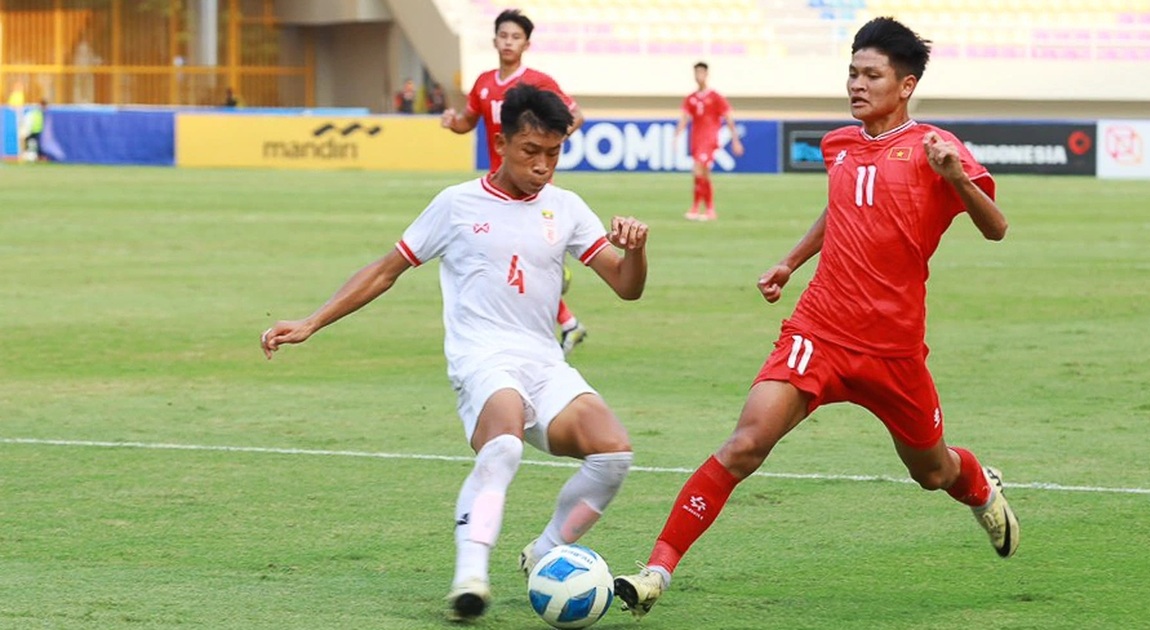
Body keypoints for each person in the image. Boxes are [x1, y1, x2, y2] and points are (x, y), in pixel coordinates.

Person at [613, 17, 1019, 620]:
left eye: (871, 75)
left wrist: (957, 178)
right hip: (819, 333)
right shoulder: (839, 145)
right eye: (852, 72)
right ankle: (655, 571)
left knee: (932, 472)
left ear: (904, 85)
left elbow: (996, 227)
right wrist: (790, 262)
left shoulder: (938, 148)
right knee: (744, 445)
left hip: (893, 351)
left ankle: (981, 488)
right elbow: (843, 211)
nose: (856, 84)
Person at [260, 83, 650, 623]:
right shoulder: (457, 204)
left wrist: (637, 251)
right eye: (530, 152)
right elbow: (385, 270)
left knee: (614, 453)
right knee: (505, 445)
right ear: (500, 141)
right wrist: (312, 321)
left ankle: (544, 550)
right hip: (482, 361)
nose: (543, 166)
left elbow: (627, 287)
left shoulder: (566, 208)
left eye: (554, 154)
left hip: (544, 363)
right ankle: (470, 577)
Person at [441, 8, 589, 355]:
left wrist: (543, 150)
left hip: (528, 190)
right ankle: (566, 323)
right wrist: (452, 121)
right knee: (502, 261)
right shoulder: (483, 83)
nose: (508, 42)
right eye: (504, 36)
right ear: (495, 41)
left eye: (515, 37)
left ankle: (555, 308)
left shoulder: (538, 82)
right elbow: (468, 122)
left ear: (526, 44)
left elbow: (575, 115)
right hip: (495, 189)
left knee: (514, 261)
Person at [677, 61, 744, 222]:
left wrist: (735, 140)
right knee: (704, 173)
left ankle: (697, 208)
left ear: (706, 74)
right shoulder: (691, 98)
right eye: (696, 73)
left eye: (701, 73)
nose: (698, 76)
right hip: (696, 139)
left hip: (709, 139)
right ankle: (708, 209)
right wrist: (677, 135)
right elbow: (684, 118)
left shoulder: (715, 97)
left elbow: (728, 117)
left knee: (698, 170)